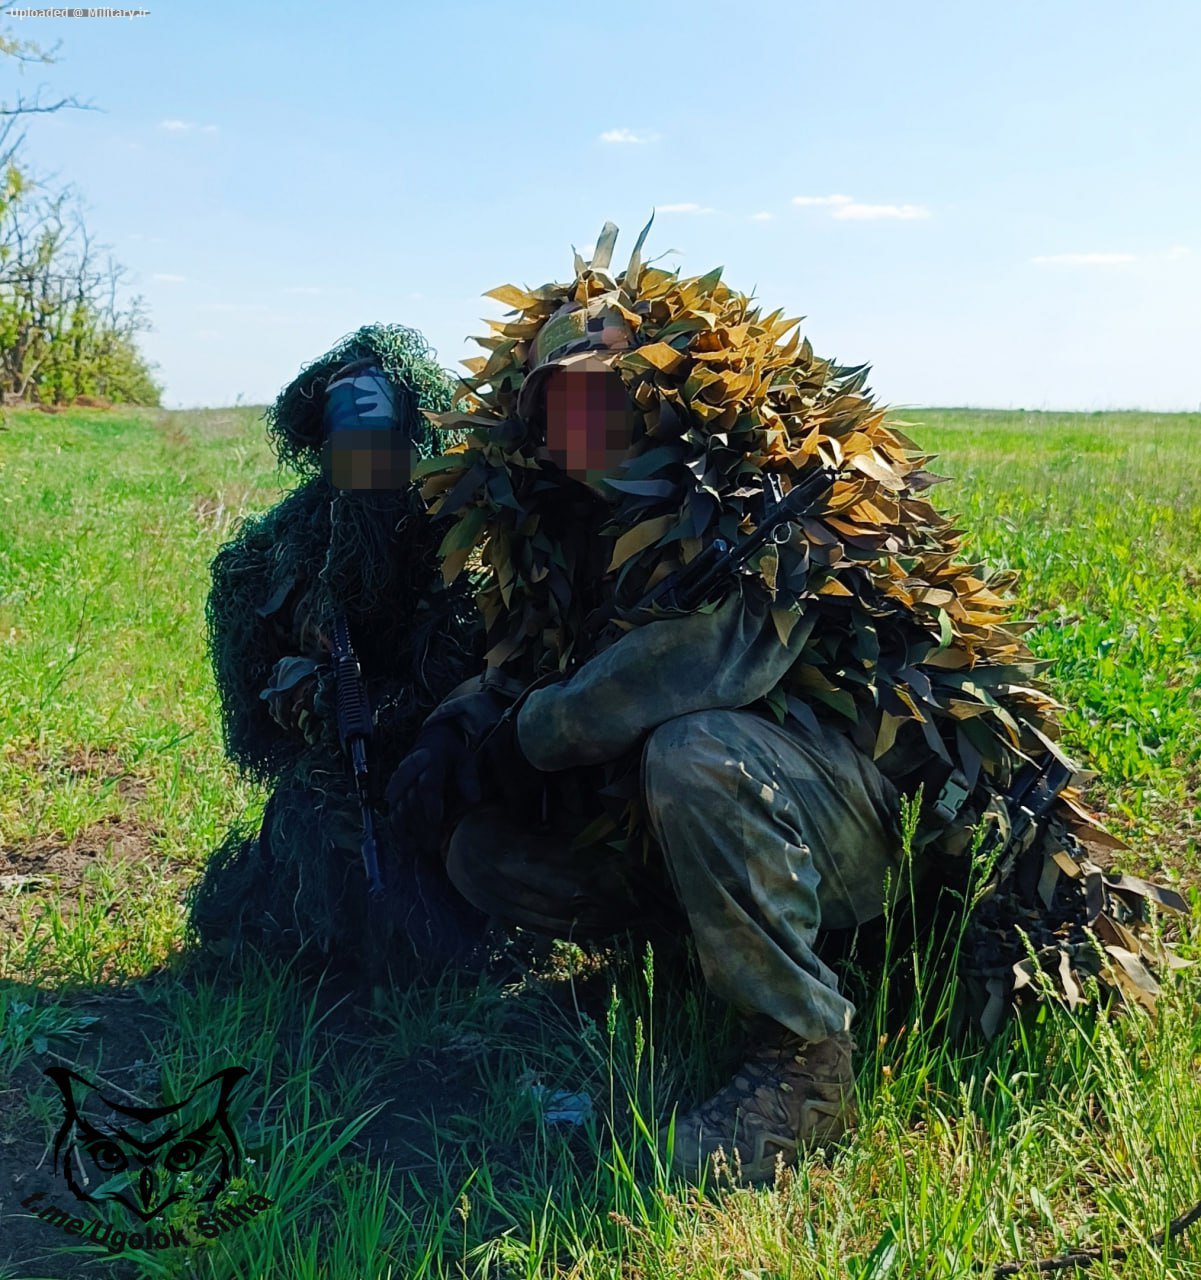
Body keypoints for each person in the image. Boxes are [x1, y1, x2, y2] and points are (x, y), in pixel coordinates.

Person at [387, 223, 1183, 1183]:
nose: (580, 425)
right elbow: (533, 657)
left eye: (602, 394)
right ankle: (684, 962)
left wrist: (531, 734)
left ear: (658, 393)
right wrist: (456, 730)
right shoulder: (577, 522)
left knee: (699, 750)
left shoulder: (780, 492)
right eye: (557, 405)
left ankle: (801, 1064)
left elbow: (719, 659)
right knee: (489, 853)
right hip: (758, 818)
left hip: (876, 830)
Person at [188, 324, 486, 978]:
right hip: (335, 770)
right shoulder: (280, 549)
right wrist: (300, 686)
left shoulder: (461, 533)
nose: (366, 463)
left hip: (445, 763)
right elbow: (255, 700)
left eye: (380, 444)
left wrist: (415, 726)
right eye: (348, 445)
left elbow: (485, 671)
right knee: (316, 838)